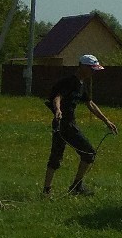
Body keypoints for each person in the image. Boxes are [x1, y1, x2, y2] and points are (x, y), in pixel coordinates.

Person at [43, 54, 117, 197]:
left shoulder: (81, 84)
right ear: (82, 67)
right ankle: (75, 187)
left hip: (65, 123)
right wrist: (58, 110)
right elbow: (58, 96)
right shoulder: (70, 82)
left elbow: (90, 103)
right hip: (65, 124)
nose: (93, 72)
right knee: (89, 153)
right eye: (92, 69)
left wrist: (106, 120)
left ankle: (50, 190)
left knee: (57, 156)